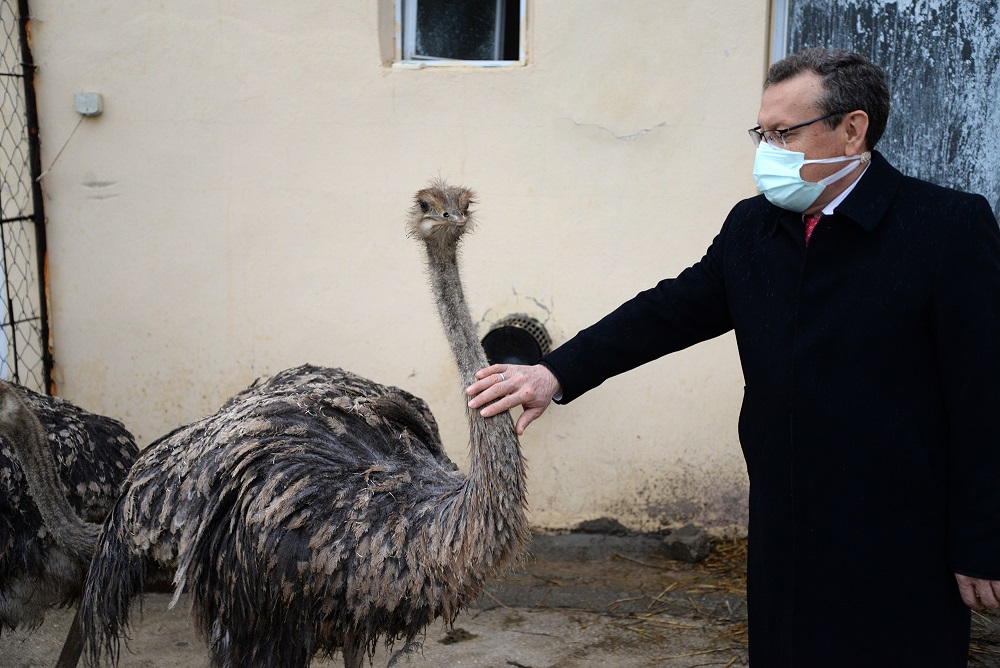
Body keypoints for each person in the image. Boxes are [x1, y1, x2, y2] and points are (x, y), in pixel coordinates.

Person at [466, 47, 1000, 667]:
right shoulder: (755, 228)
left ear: (853, 129)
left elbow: (984, 395)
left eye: (784, 133)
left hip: (901, 535)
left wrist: (982, 539)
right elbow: (667, 311)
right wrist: (555, 370)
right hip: (785, 524)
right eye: (761, 133)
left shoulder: (945, 227)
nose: (766, 151)